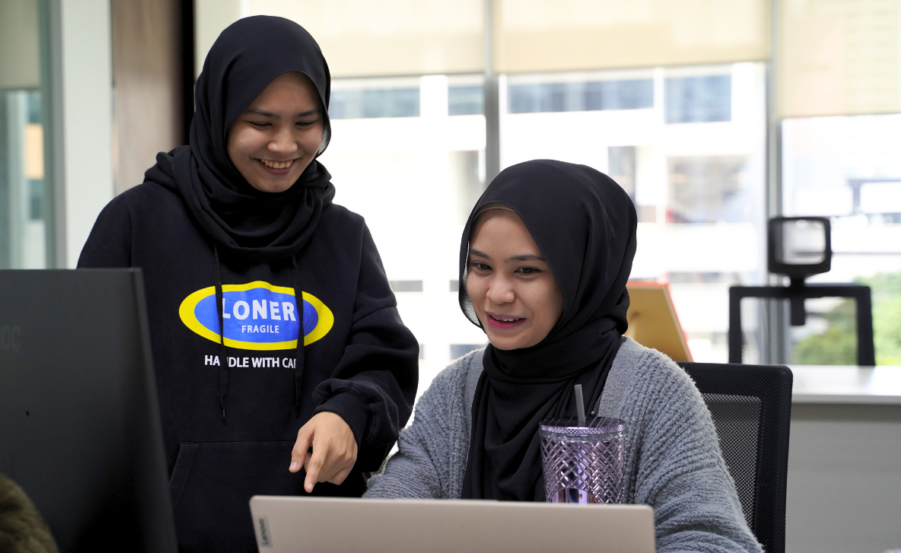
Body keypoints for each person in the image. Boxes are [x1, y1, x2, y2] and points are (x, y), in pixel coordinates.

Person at [78, 16, 419, 552]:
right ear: (218, 114)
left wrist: (348, 414)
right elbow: (81, 379)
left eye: (306, 123)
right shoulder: (135, 223)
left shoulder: (343, 236)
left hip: (313, 536)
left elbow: (385, 359)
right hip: (163, 537)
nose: (285, 145)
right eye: (261, 122)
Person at [364, 160, 761, 553]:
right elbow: (386, 516)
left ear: (581, 274)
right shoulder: (455, 391)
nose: (496, 294)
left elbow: (714, 542)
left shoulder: (655, 393)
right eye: (481, 266)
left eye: (526, 271)